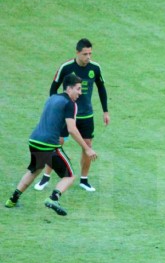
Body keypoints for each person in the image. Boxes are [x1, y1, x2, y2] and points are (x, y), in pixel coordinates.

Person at [5, 74, 97, 216]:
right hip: (48, 144)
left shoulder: (53, 98)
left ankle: (12, 199)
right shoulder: (70, 104)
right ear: (69, 88)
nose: (80, 93)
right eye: (78, 89)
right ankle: (53, 198)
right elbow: (72, 129)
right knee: (70, 176)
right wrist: (87, 148)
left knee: (35, 170)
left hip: (34, 140)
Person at [34, 38, 110, 192]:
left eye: (90, 53)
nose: (88, 57)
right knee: (57, 144)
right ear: (77, 53)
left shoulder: (95, 68)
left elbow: (101, 88)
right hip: (66, 114)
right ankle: (46, 177)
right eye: (85, 54)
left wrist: (105, 111)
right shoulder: (66, 67)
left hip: (86, 115)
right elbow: (53, 89)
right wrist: (56, 109)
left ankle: (84, 179)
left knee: (87, 145)